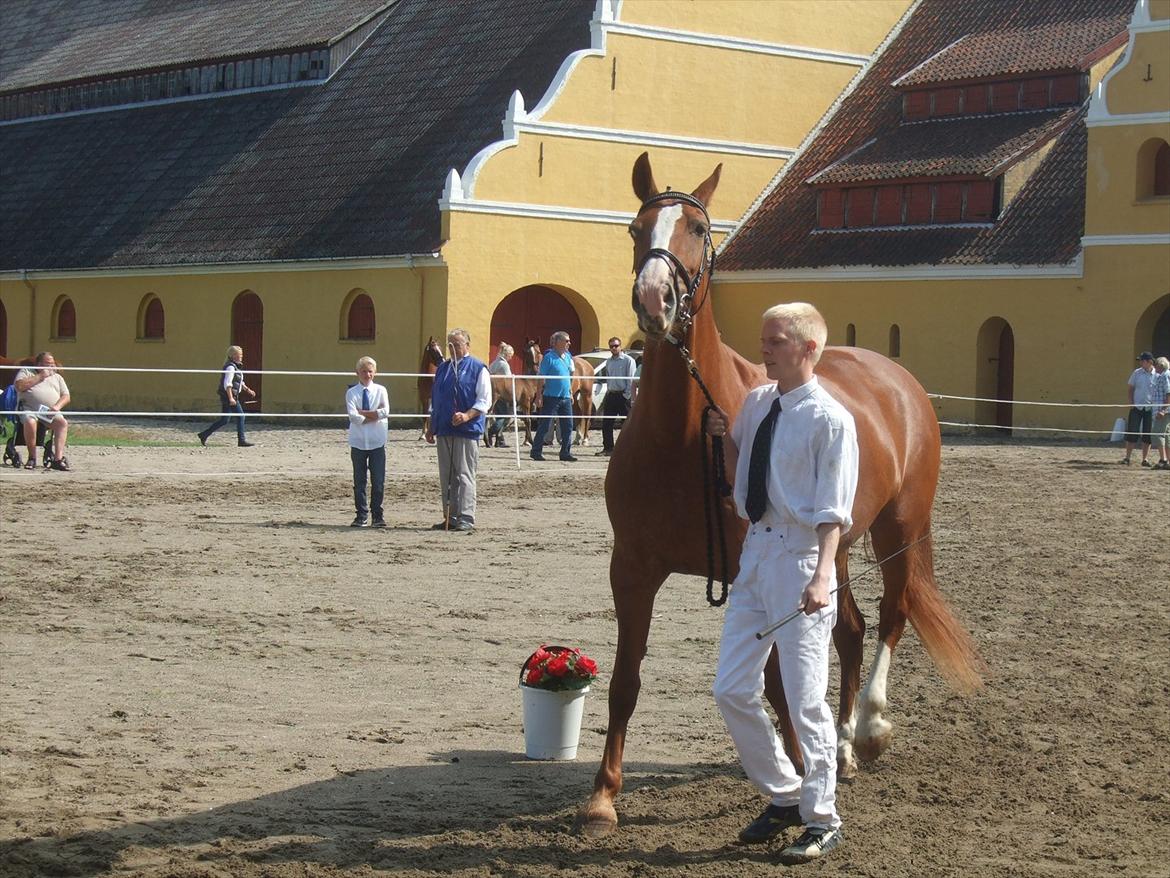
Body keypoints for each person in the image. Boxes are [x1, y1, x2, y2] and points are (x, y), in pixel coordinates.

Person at [704, 302, 858, 865]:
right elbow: (740, 468)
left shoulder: (831, 420)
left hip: (801, 561)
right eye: (764, 339)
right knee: (731, 688)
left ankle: (823, 817)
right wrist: (724, 436)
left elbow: (833, 511)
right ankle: (785, 793)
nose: (763, 349)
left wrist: (823, 576)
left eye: (774, 341)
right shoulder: (756, 402)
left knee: (803, 699)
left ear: (807, 348)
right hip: (755, 555)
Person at [425, 328, 491, 532]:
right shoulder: (443, 369)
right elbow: (435, 399)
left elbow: (484, 400)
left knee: (464, 474)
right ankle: (450, 516)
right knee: (446, 475)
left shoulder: (478, 368)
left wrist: (467, 415)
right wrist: (431, 424)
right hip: (444, 428)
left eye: (457, 344)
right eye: (450, 344)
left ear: (467, 346)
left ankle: (466, 516)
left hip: (466, 429)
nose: (453, 348)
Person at [346, 356, 390, 527]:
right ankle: (361, 515)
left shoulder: (381, 390)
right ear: (357, 373)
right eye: (364, 371)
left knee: (378, 481)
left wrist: (364, 413)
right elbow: (353, 417)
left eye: (370, 371)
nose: (367, 374)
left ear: (375, 373)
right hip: (358, 442)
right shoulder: (352, 393)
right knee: (359, 481)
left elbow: (385, 411)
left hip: (377, 441)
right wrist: (373, 414)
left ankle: (377, 515)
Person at [14, 351, 70, 471]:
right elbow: (19, 386)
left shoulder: (57, 377)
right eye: (47, 364)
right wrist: (40, 376)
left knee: (62, 423)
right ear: (38, 364)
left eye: (52, 364)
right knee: (30, 421)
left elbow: (66, 396)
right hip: (29, 408)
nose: (51, 367)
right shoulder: (26, 372)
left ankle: (58, 459)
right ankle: (32, 457)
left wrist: (57, 407)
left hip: (48, 411)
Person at [530, 330, 577, 462]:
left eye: (569, 341)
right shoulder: (549, 358)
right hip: (551, 397)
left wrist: (571, 392)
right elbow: (541, 377)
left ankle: (565, 452)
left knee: (568, 426)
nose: (569, 343)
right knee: (544, 425)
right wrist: (539, 395)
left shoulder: (568, 357)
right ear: (558, 342)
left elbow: (571, 375)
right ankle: (536, 451)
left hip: (565, 398)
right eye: (566, 341)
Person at [197, 345, 256, 447]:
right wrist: (231, 398)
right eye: (239, 355)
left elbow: (239, 382)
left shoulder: (236, 367)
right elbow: (227, 384)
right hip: (230, 396)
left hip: (230, 396)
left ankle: (204, 434)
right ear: (233, 356)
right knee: (241, 416)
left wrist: (248, 390)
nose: (241, 356)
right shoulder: (230, 367)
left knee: (224, 420)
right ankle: (241, 440)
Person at [596, 336, 637, 456]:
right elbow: (608, 379)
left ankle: (628, 449)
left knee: (627, 424)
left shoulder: (628, 360)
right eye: (611, 346)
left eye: (616, 346)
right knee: (607, 423)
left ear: (620, 346)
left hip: (623, 396)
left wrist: (626, 395)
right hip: (611, 395)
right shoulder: (608, 362)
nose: (614, 348)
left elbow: (631, 379)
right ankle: (608, 448)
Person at [1122, 352, 1157, 466]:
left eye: (1143, 361)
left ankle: (1145, 459)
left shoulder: (1157, 375)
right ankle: (1127, 457)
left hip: (1150, 408)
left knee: (1147, 434)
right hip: (1136, 406)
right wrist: (1131, 402)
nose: (1141, 363)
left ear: (1150, 362)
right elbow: (1130, 388)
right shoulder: (1137, 373)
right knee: (1132, 432)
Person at [486, 342, 515, 448]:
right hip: (501, 393)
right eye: (511, 355)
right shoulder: (504, 364)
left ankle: (500, 440)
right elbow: (508, 380)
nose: (511, 358)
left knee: (500, 415)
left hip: (494, 392)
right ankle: (492, 432)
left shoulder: (496, 362)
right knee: (505, 416)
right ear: (507, 355)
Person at [1151, 356, 1170, 471]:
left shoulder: (1165, 376)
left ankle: (1163, 460)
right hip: (1164, 411)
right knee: (1167, 436)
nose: (1154, 366)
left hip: (1163, 412)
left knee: (1158, 434)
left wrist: (1163, 410)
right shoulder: (1161, 376)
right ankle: (1167, 460)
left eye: (1156, 364)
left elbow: (1169, 394)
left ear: (1161, 365)